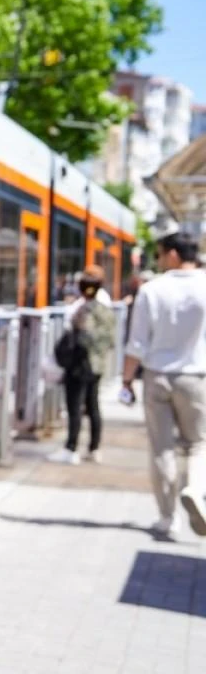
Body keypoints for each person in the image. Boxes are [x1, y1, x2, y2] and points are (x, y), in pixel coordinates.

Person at [122, 231, 206, 539]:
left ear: (172, 254)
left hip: (156, 376)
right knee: (198, 444)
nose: (157, 261)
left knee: (162, 449)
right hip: (197, 376)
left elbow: (137, 343)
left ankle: (167, 517)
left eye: (159, 254)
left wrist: (127, 380)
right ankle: (196, 490)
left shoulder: (152, 290)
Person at [48, 266, 117, 465]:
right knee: (93, 406)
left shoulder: (83, 310)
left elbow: (81, 337)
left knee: (74, 407)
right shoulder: (106, 310)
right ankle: (94, 447)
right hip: (98, 366)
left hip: (79, 366)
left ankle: (71, 448)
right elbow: (110, 340)